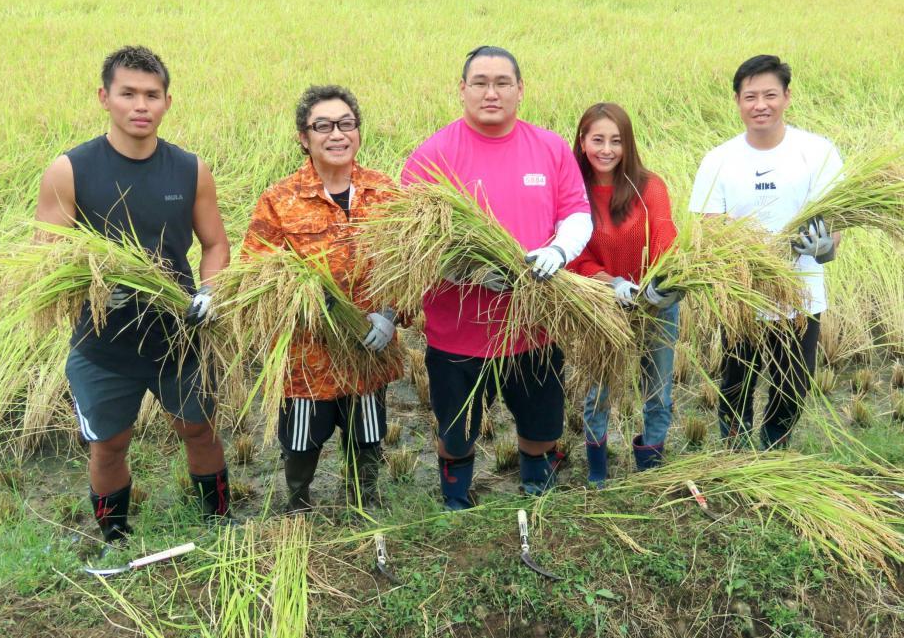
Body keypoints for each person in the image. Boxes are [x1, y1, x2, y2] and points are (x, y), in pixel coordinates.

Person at [33, 46, 233, 549]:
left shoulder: (189, 170)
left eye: (152, 94)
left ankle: (218, 520)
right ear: (105, 98)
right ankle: (115, 536)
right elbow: (47, 260)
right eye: (128, 93)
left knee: (200, 430)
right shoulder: (70, 170)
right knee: (109, 444)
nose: (140, 105)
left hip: (181, 335)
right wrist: (99, 284)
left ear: (167, 101)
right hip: (103, 344)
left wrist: (209, 290)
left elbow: (215, 243)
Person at [401, 46, 592, 510]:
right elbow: (408, 241)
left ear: (520, 90)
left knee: (541, 427)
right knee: (456, 433)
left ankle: (535, 490)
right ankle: (456, 501)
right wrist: (466, 270)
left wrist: (558, 250)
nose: (492, 92)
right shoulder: (433, 155)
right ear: (462, 89)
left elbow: (578, 213)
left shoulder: (549, 147)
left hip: (534, 327)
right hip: (458, 333)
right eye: (481, 82)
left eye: (503, 82)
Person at [241, 85, 403, 513]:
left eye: (346, 124)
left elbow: (410, 268)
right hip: (304, 356)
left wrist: (390, 315)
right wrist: (314, 306)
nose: (337, 134)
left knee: (367, 433)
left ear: (358, 131)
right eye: (323, 126)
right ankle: (297, 503)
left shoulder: (386, 193)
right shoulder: (280, 200)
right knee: (301, 439)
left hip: (370, 349)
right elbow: (257, 275)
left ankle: (362, 502)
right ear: (303, 136)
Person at [689, 55, 842, 450]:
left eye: (770, 94)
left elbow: (836, 225)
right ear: (738, 101)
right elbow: (709, 230)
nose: (761, 104)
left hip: (802, 292)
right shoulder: (718, 161)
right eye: (750, 96)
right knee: (737, 378)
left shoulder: (818, 153)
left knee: (794, 380)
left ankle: (775, 447)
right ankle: (735, 450)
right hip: (742, 294)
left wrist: (825, 247)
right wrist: (752, 258)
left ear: (787, 97)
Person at [567, 103, 681, 480]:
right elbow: (576, 256)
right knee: (599, 392)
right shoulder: (573, 192)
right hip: (602, 304)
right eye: (597, 139)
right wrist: (611, 283)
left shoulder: (649, 185)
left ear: (627, 144)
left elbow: (664, 232)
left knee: (658, 392)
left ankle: (650, 471)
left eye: (616, 141)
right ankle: (598, 476)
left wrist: (660, 283)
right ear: (582, 142)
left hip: (652, 304)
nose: (606, 149)